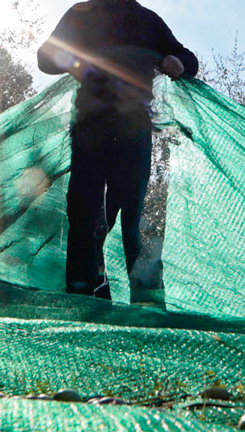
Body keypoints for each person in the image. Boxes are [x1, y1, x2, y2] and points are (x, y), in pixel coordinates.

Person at [37, 0, 198, 305]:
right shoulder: (81, 13)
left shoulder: (148, 20)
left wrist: (179, 61)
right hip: (90, 130)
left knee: (139, 218)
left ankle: (147, 305)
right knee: (85, 213)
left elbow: (188, 59)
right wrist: (80, 62)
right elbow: (45, 58)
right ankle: (84, 299)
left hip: (135, 131)